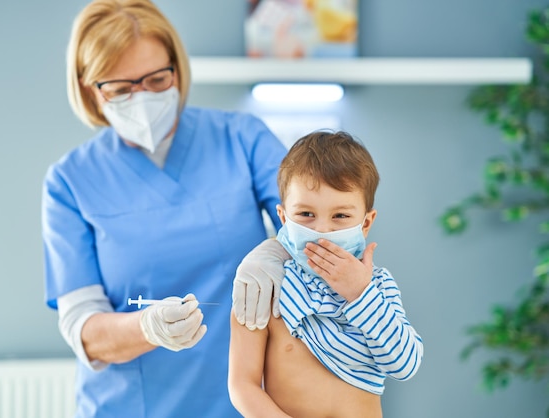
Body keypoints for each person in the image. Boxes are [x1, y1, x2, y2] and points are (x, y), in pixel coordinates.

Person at [40, 0, 288, 416]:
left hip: (247, 402)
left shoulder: (243, 139)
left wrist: (280, 250)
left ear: (178, 68)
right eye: (121, 89)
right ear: (90, 89)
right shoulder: (69, 181)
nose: (143, 99)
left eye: (157, 79)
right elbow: (84, 329)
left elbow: (313, 220)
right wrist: (146, 327)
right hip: (132, 406)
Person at [228, 131, 424, 418]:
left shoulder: (378, 287)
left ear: (366, 222)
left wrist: (361, 294)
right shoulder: (265, 287)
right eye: (306, 214)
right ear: (283, 218)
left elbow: (405, 365)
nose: (322, 230)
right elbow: (242, 385)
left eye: (340, 216)